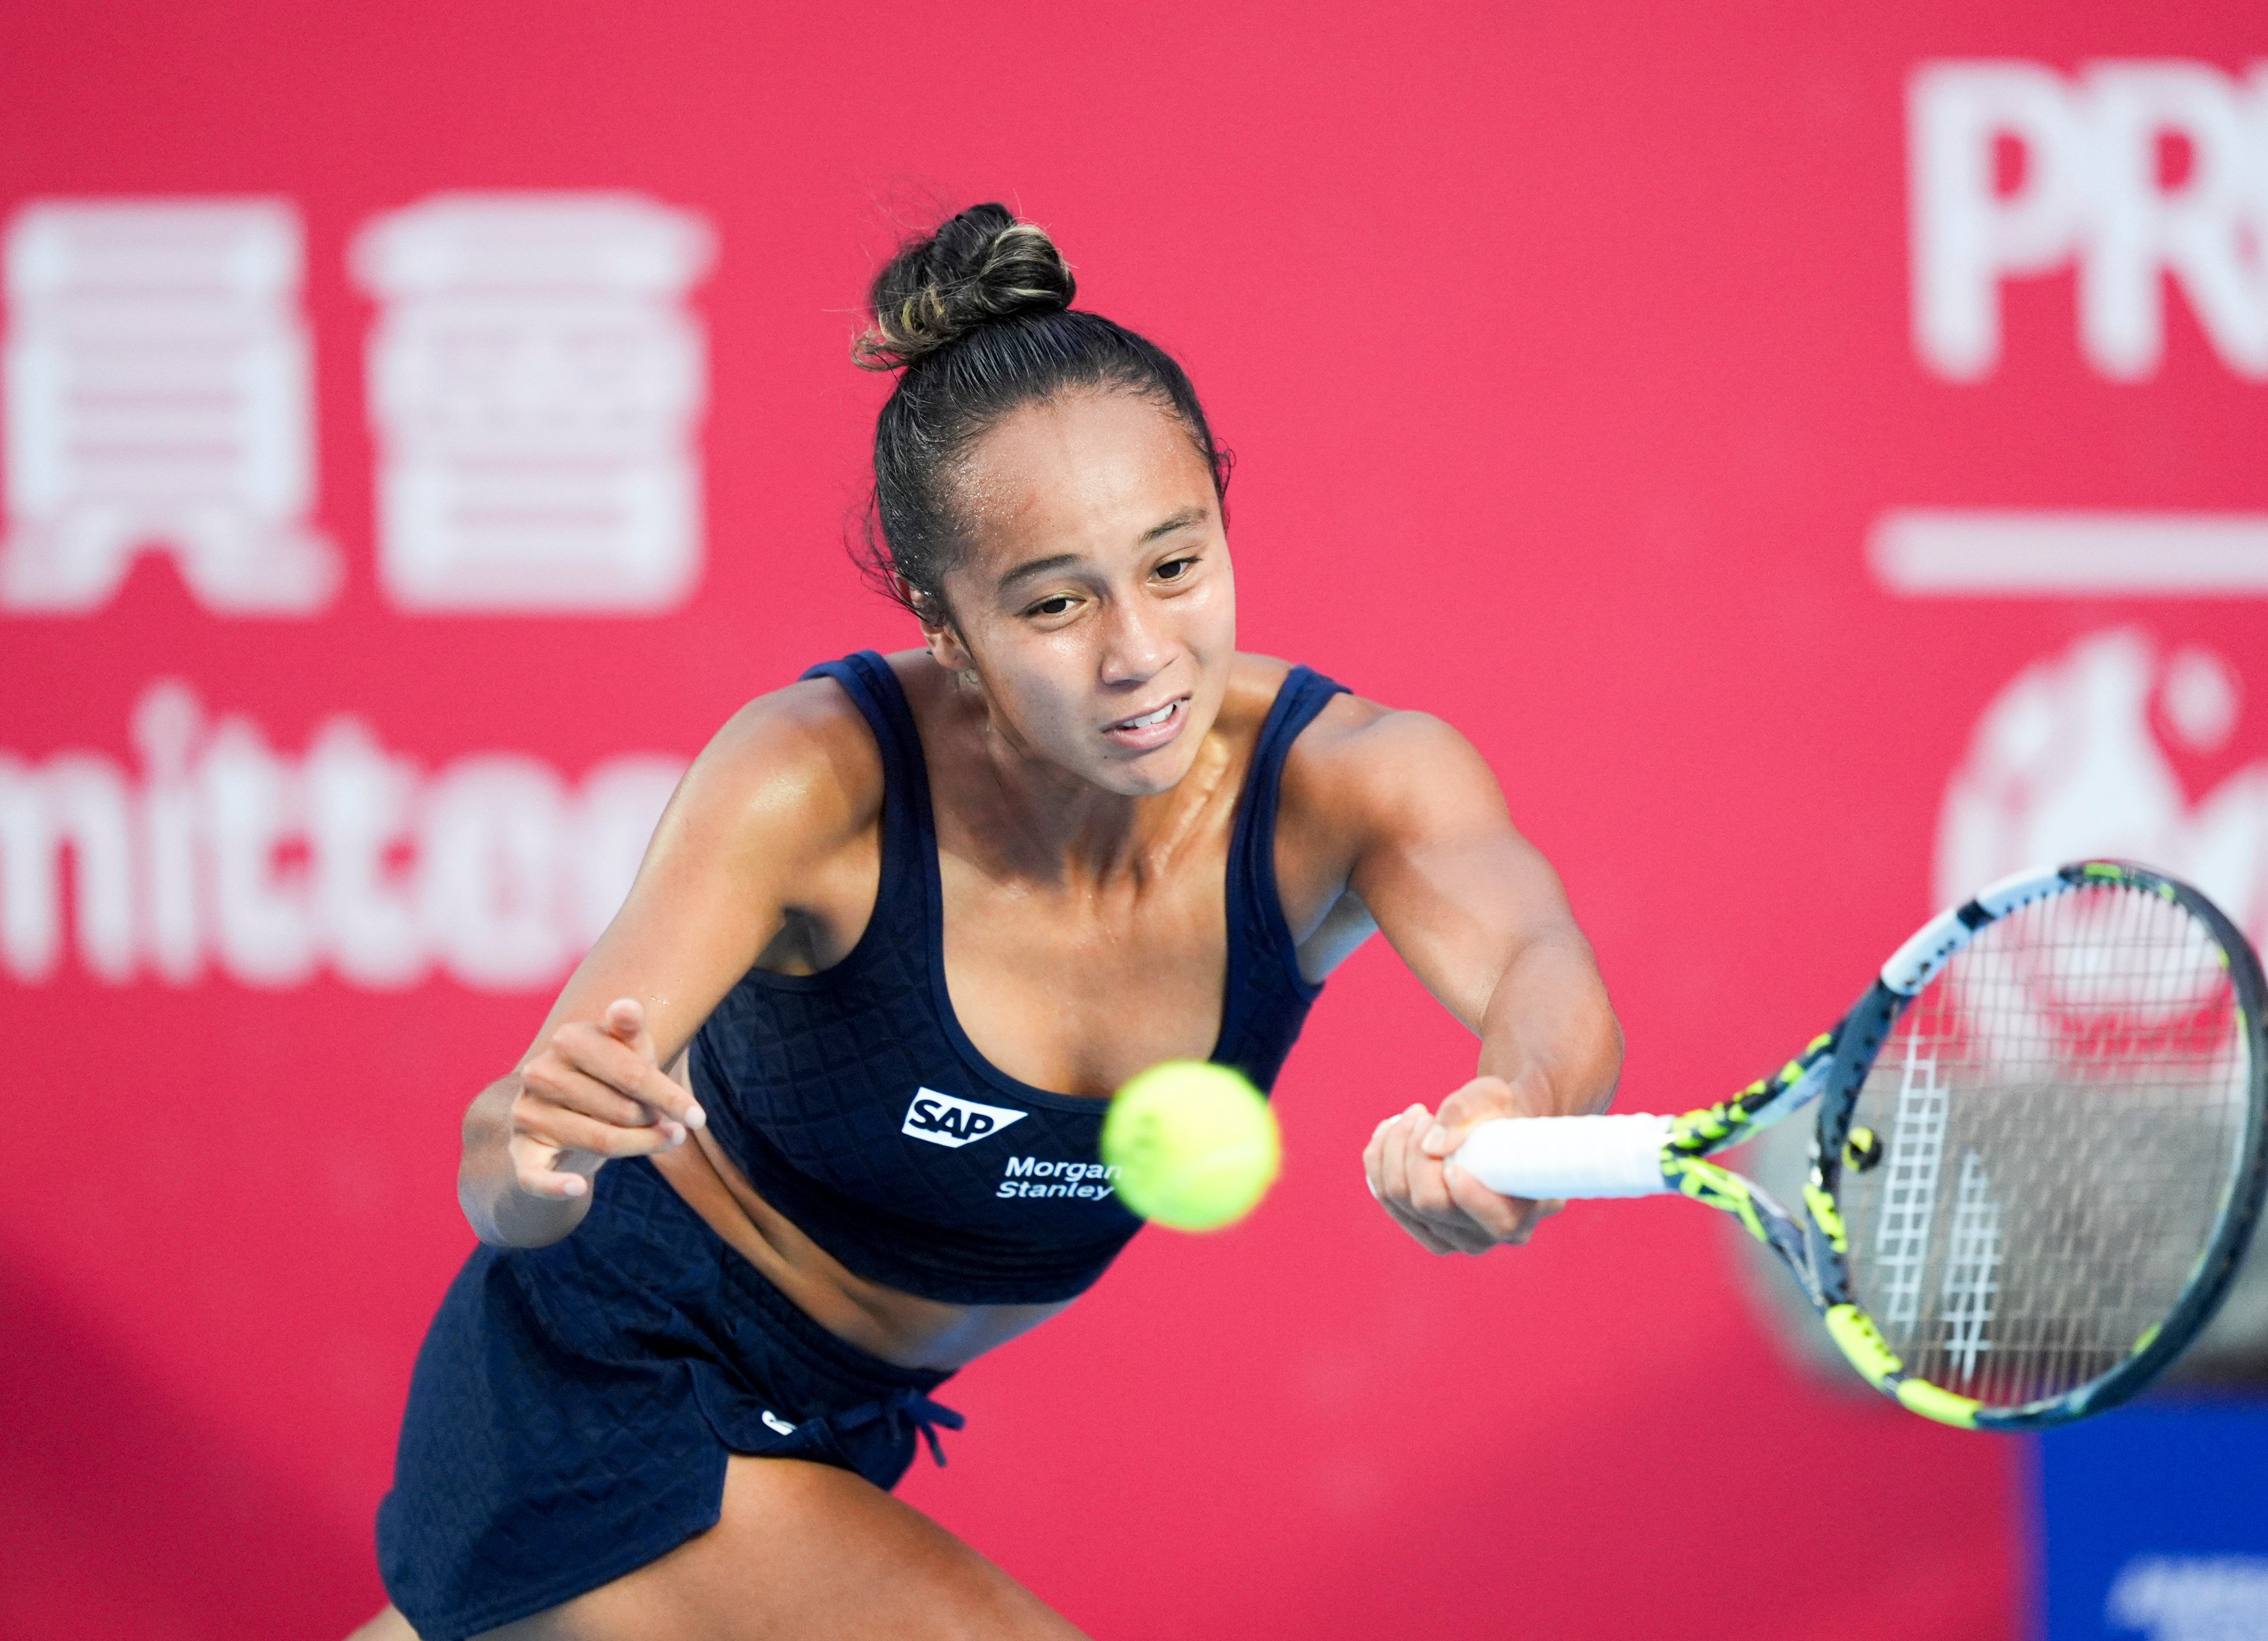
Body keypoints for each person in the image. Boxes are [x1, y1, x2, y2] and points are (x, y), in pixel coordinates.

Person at [354, 203, 1622, 1641]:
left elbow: (1541, 964)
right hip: (613, 1380)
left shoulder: (1350, 789)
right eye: (1053, 605)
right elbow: (510, 1158)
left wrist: (1515, 1107)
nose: (1139, 654)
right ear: (944, 626)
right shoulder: (812, 784)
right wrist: (536, 1155)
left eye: (1174, 564)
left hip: (837, 1430)